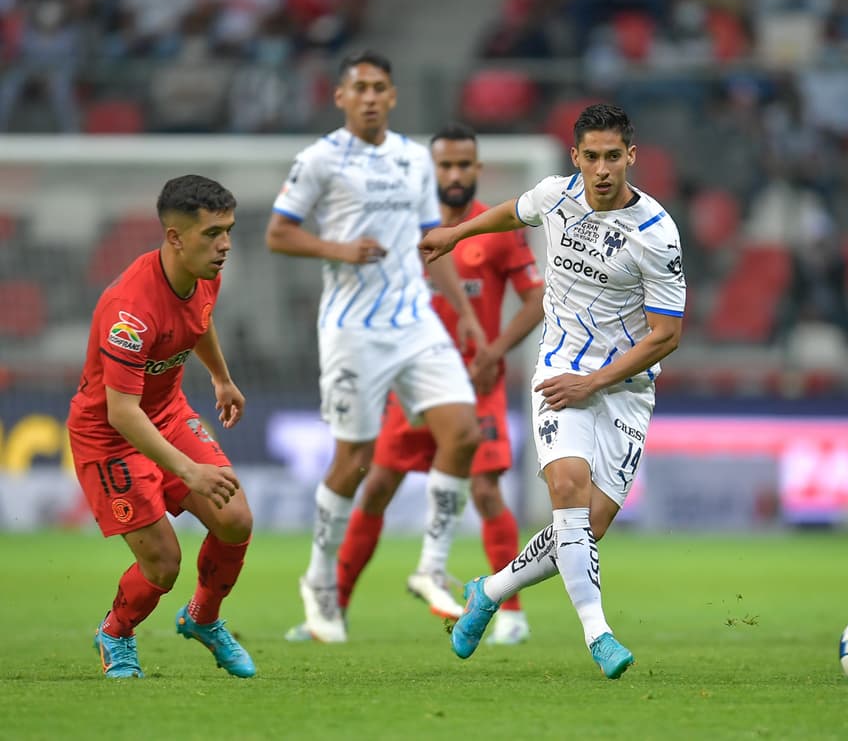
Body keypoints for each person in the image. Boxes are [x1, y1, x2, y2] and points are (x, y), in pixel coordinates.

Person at [419, 102, 686, 679]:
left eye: (612, 156)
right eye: (591, 157)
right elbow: (511, 213)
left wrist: (596, 381)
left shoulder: (656, 233)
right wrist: (457, 233)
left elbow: (666, 336)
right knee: (567, 488)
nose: (602, 169)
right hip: (560, 369)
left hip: (625, 388)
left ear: (631, 156)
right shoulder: (555, 196)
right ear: (576, 157)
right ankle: (599, 634)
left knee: (588, 528)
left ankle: (489, 590)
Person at [266, 51, 484, 643]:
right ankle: (319, 580)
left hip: (415, 320)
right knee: (354, 460)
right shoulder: (319, 159)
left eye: (378, 87)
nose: (368, 96)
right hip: (353, 328)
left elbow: (429, 241)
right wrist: (339, 250)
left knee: (464, 433)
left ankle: (431, 568)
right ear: (341, 96)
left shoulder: (414, 158)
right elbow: (278, 233)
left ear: (392, 96)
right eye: (358, 87)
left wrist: (465, 315)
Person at [336, 123, 546, 645]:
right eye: (445, 165)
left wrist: (495, 351)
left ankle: (512, 613)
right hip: (412, 387)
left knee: (486, 492)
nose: (454, 174)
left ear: (478, 169)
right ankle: (330, 608)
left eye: (463, 165)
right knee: (376, 487)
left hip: (476, 385)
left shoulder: (496, 229)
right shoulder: (404, 227)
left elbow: (536, 299)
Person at [67, 175, 255, 679]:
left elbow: (199, 318)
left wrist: (221, 377)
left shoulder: (204, 272)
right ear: (175, 237)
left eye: (228, 230)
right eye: (212, 233)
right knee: (163, 565)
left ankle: (203, 618)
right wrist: (189, 470)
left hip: (168, 413)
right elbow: (122, 412)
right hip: (110, 437)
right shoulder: (129, 310)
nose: (225, 245)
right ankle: (116, 632)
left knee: (235, 519)